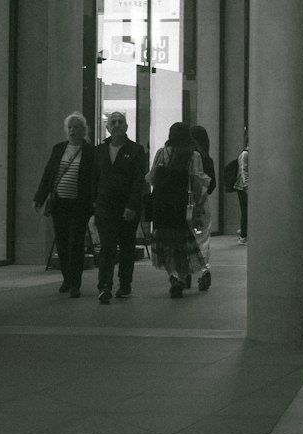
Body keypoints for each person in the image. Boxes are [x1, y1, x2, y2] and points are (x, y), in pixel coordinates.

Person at [33, 112, 94, 297]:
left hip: (79, 205)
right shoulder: (59, 148)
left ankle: (75, 283)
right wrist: (39, 198)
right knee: (62, 243)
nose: (72, 130)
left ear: (84, 131)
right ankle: (67, 278)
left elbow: (94, 178)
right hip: (60, 204)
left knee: (76, 243)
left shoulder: (91, 151)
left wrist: (95, 200)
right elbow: (48, 174)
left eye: (76, 127)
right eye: (70, 127)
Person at [92, 110, 148, 304]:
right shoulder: (99, 151)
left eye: (120, 122)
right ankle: (104, 286)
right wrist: (94, 204)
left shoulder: (136, 151)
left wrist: (132, 206)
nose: (116, 125)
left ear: (126, 126)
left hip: (127, 208)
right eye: (112, 122)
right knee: (107, 246)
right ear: (107, 127)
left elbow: (138, 180)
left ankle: (125, 284)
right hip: (105, 207)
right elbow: (94, 178)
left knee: (126, 247)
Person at [146, 122, 208, 298]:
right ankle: (181, 276)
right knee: (181, 242)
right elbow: (197, 182)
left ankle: (173, 274)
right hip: (180, 203)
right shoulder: (192, 155)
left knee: (164, 242)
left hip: (161, 203)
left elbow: (152, 178)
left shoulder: (161, 153)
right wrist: (200, 205)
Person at [189, 124, 217, 291]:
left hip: (183, 205)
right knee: (203, 239)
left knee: (185, 239)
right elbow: (212, 185)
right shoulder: (206, 159)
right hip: (201, 203)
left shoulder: (185, 156)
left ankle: (184, 273)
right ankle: (205, 269)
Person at [234, 141, 249, 242]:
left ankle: (244, 233)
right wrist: (247, 186)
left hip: (242, 186)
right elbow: (244, 170)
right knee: (245, 211)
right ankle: (243, 235)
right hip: (243, 187)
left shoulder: (246, 153)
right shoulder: (246, 154)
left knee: (245, 211)